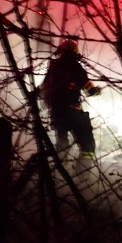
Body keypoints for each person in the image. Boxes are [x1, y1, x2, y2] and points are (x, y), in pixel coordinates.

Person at [41, 39, 101, 172]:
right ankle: (83, 175)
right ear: (75, 53)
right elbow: (90, 90)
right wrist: (97, 90)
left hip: (56, 113)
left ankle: (57, 173)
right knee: (88, 145)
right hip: (74, 113)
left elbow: (43, 88)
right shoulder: (76, 68)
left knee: (62, 143)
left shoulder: (53, 68)